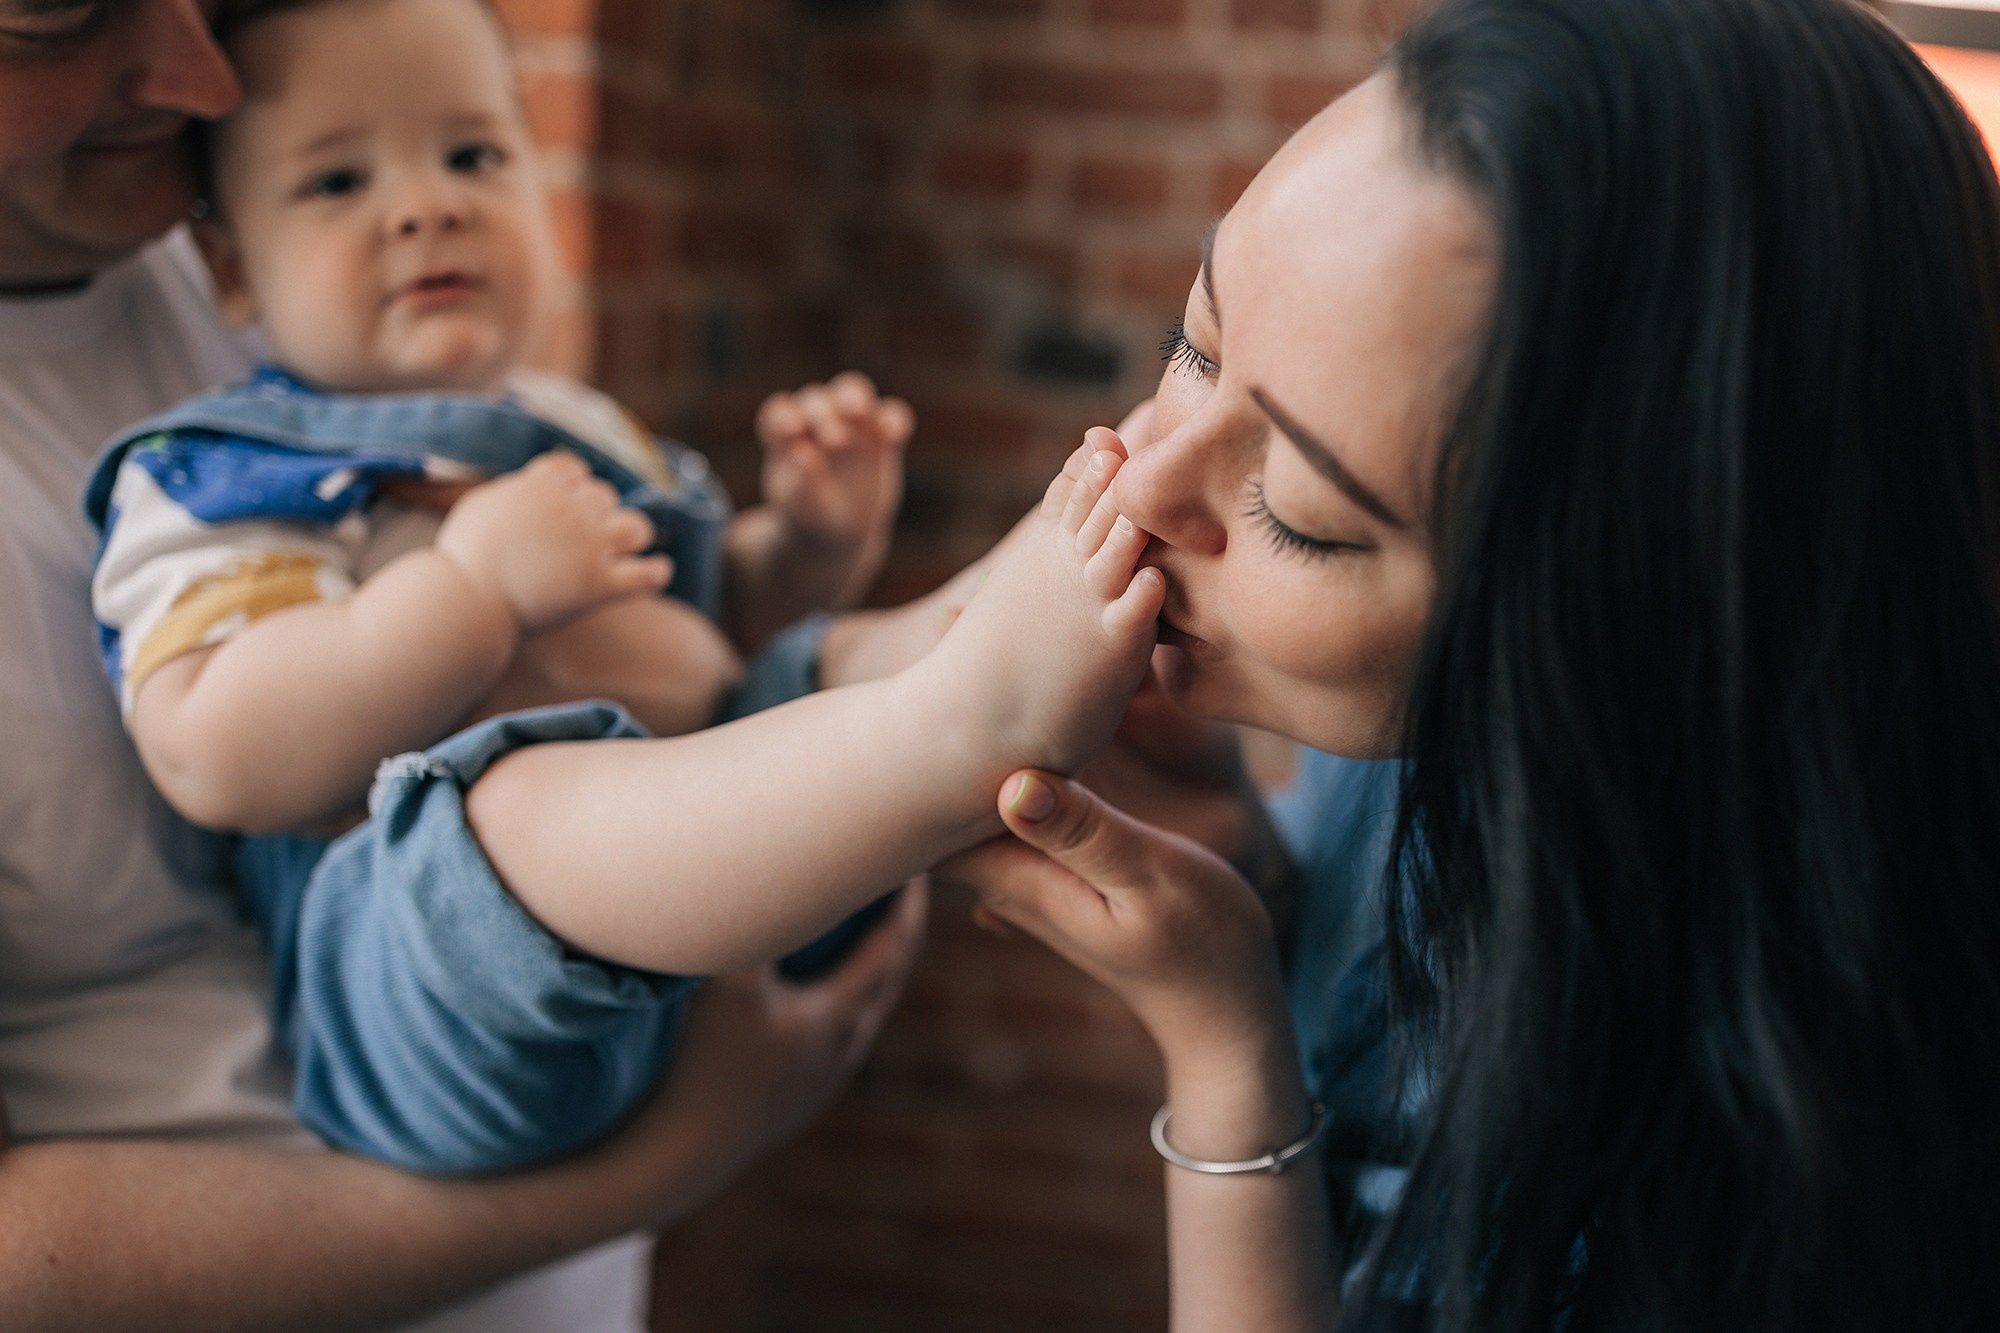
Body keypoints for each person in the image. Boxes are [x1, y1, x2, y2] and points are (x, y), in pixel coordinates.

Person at [951, 0, 2000, 1328]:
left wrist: (1228, 1061)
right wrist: (1260, 878)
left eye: (1304, 515)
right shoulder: (1387, 761)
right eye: (1196, 343)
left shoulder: (1843, 1174)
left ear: (1623, 623)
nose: (1136, 478)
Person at [0, 0, 928, 1326]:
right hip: (432, 1040)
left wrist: (814, 549)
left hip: (620, 1094)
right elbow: (217, 746)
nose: (200, 75)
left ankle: (965, 658)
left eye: (475, 159)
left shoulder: (526, 405)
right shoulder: (225, 462)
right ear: (238, 260)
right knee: (493, 828)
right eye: (63, 14)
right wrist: (667, 1163)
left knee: (820, 670)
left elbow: (702, 623)